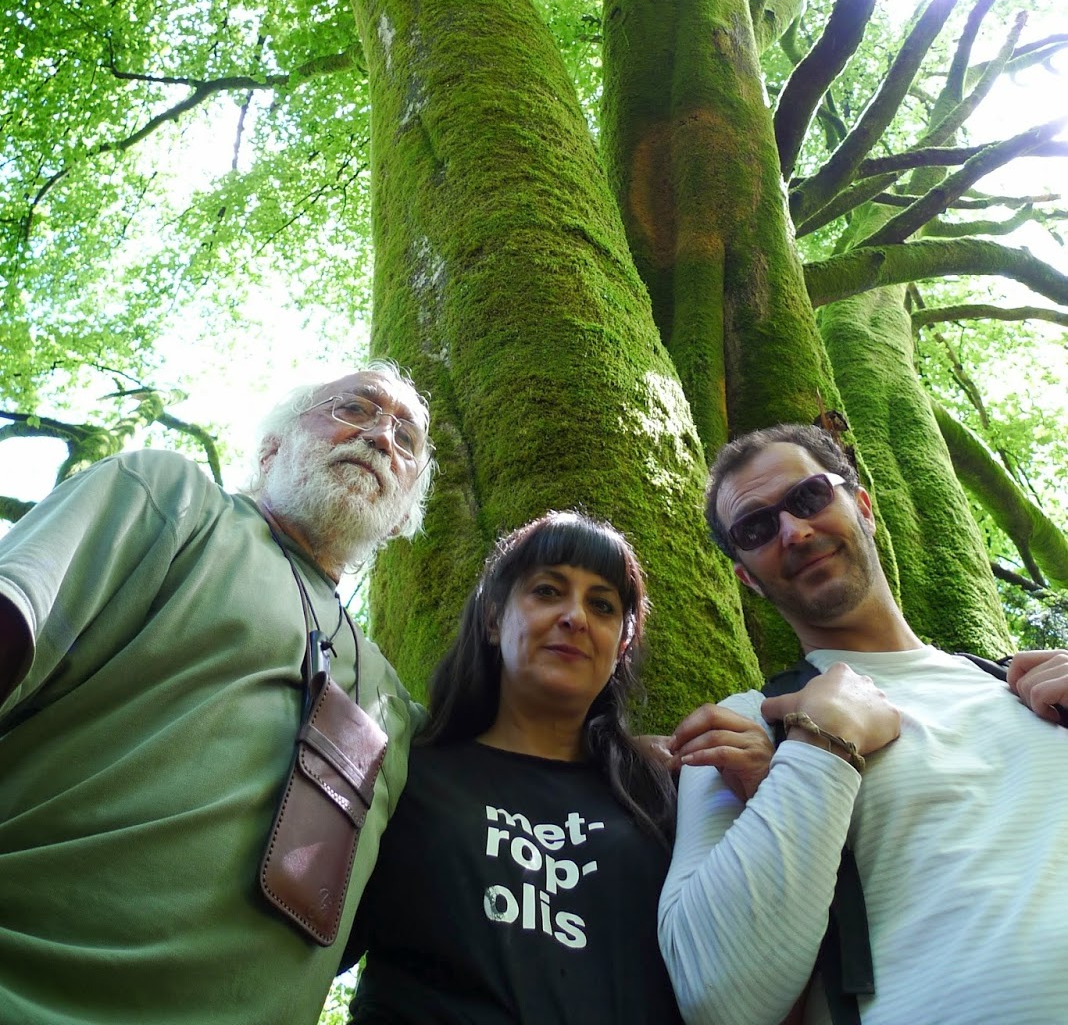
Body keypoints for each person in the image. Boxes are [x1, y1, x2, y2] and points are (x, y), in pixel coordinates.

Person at [0, 360, 433, 1025]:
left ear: (406, 513)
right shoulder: (173, 502)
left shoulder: (398, 713)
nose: (380, 437)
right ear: (271, 448)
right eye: (355, 409)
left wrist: (626, 755)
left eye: (407, 439)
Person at [658, 422, 1068, 1025]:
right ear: (747, 577)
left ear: (863, 505)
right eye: (756, 528)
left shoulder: (1026, 688)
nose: (793, 532)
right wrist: (824, 744)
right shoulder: (750, 725)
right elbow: (716, 995)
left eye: (808, 498)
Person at [344, 510, 771, 1025]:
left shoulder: (666, 795)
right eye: (547, 591)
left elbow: (745, 955)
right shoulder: (404, 772)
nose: (576, 617)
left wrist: (768, 795)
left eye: (603, 605)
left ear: (622, 646)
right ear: (494, 618)